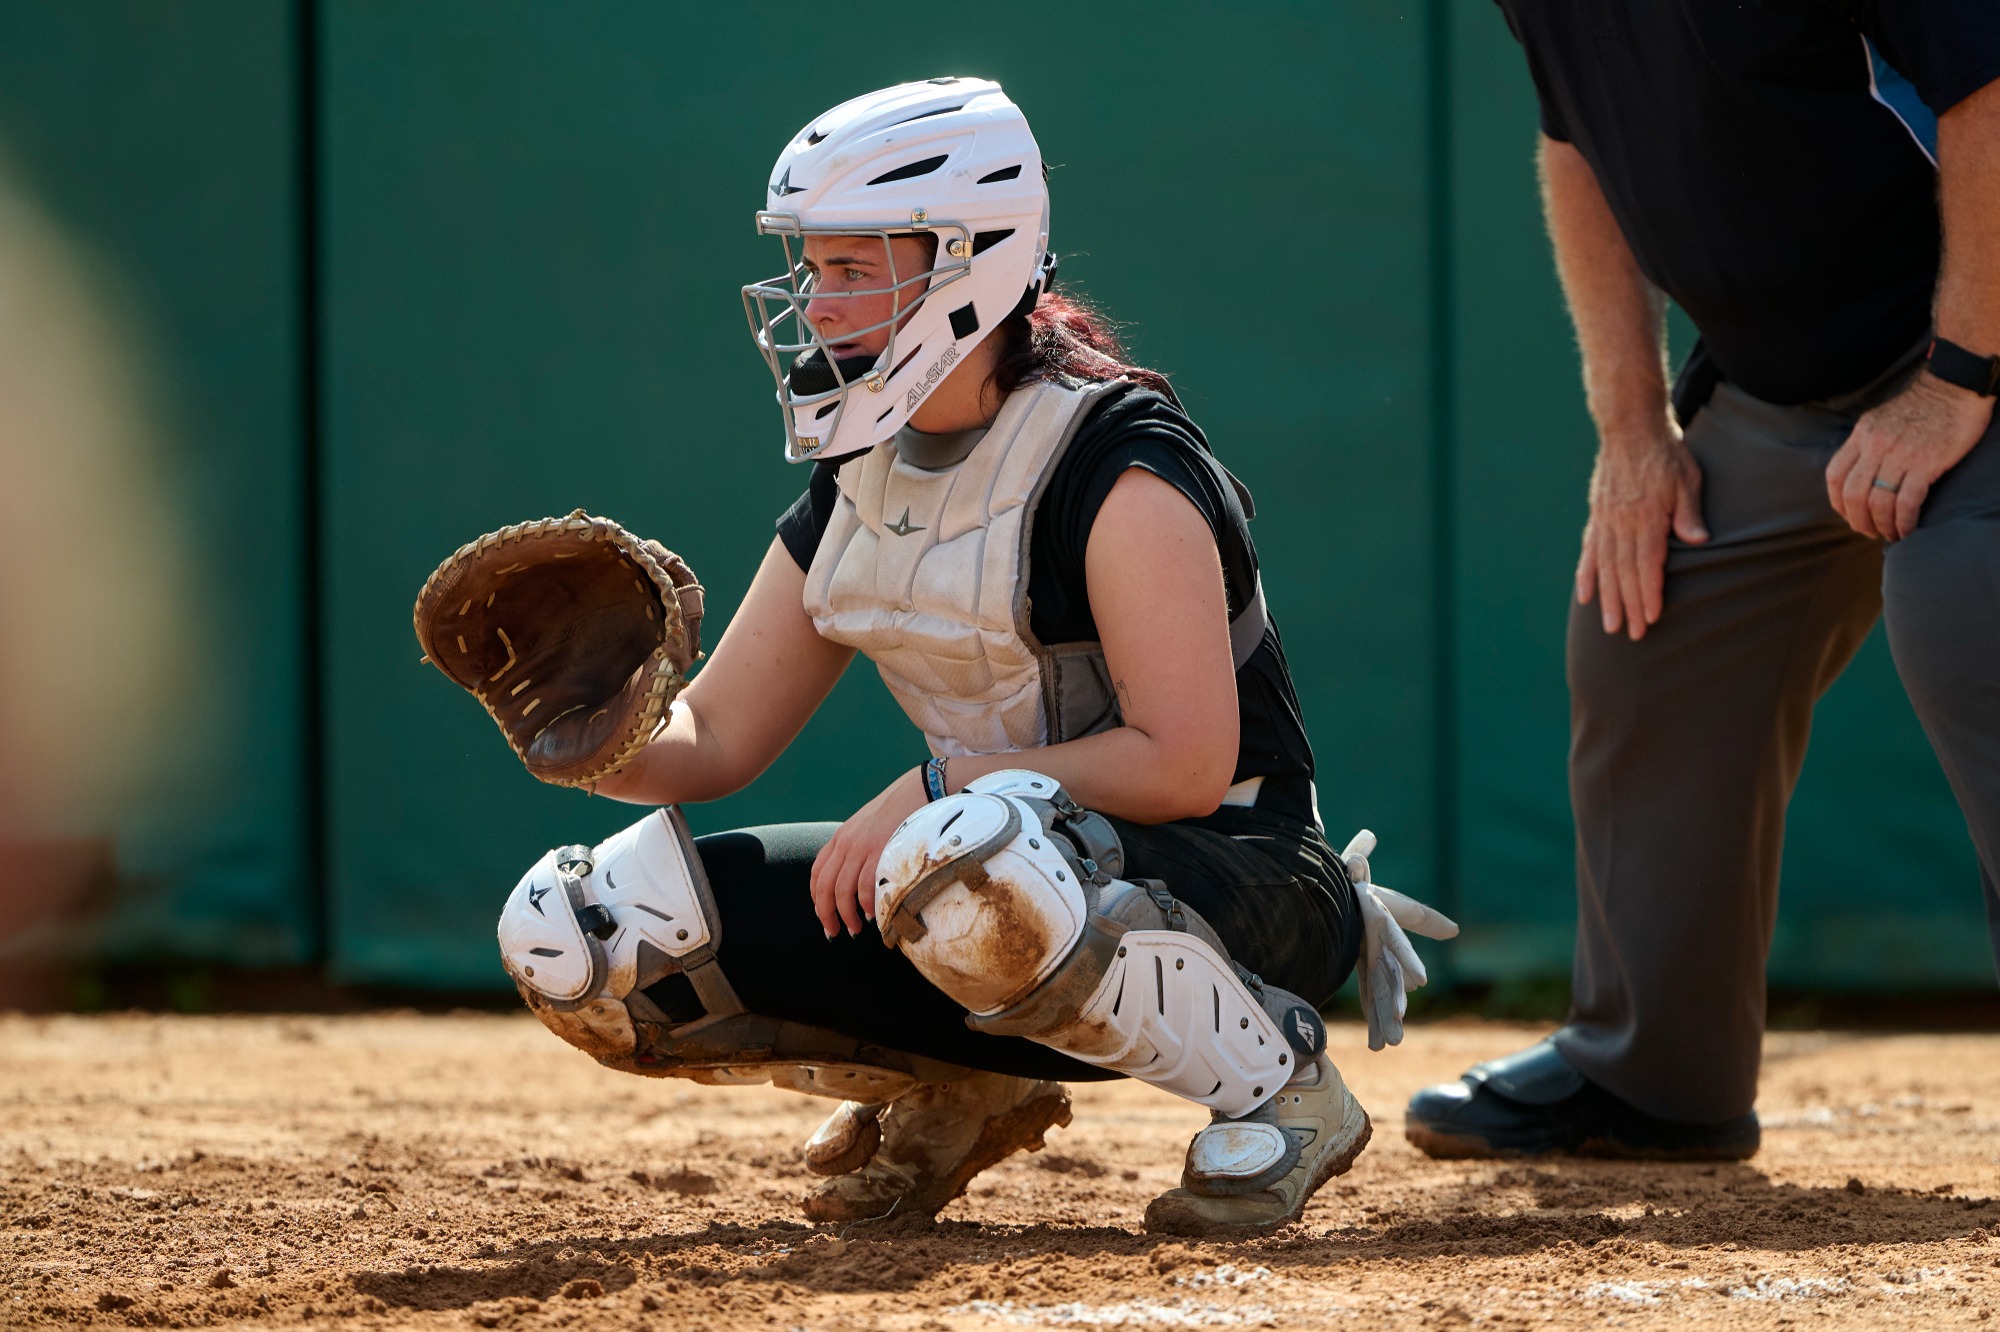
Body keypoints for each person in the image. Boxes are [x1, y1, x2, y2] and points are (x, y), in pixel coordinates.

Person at [489, 77, 1456, 1234]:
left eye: (853, 270)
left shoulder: (1118, 463)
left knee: (959, 852)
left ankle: (1277, 1086)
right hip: (991, 873)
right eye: (812, 268)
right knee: (580, 931)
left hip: (1245, 885)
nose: (816, 303)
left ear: (971, 260)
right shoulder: (863, 469)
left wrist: (944, 783)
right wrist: (594, 730)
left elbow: (1185, 762)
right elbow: (718, 738)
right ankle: (958, 1087)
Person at [1407, 3, 2000, 1158]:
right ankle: (1647, 1075)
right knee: (1646, 617)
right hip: (1781, 393)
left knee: (1963, 617)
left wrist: (1960, 375)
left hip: (1970, 351)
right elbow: (1575, 143)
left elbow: (1988, 91)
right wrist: (1630, 429)